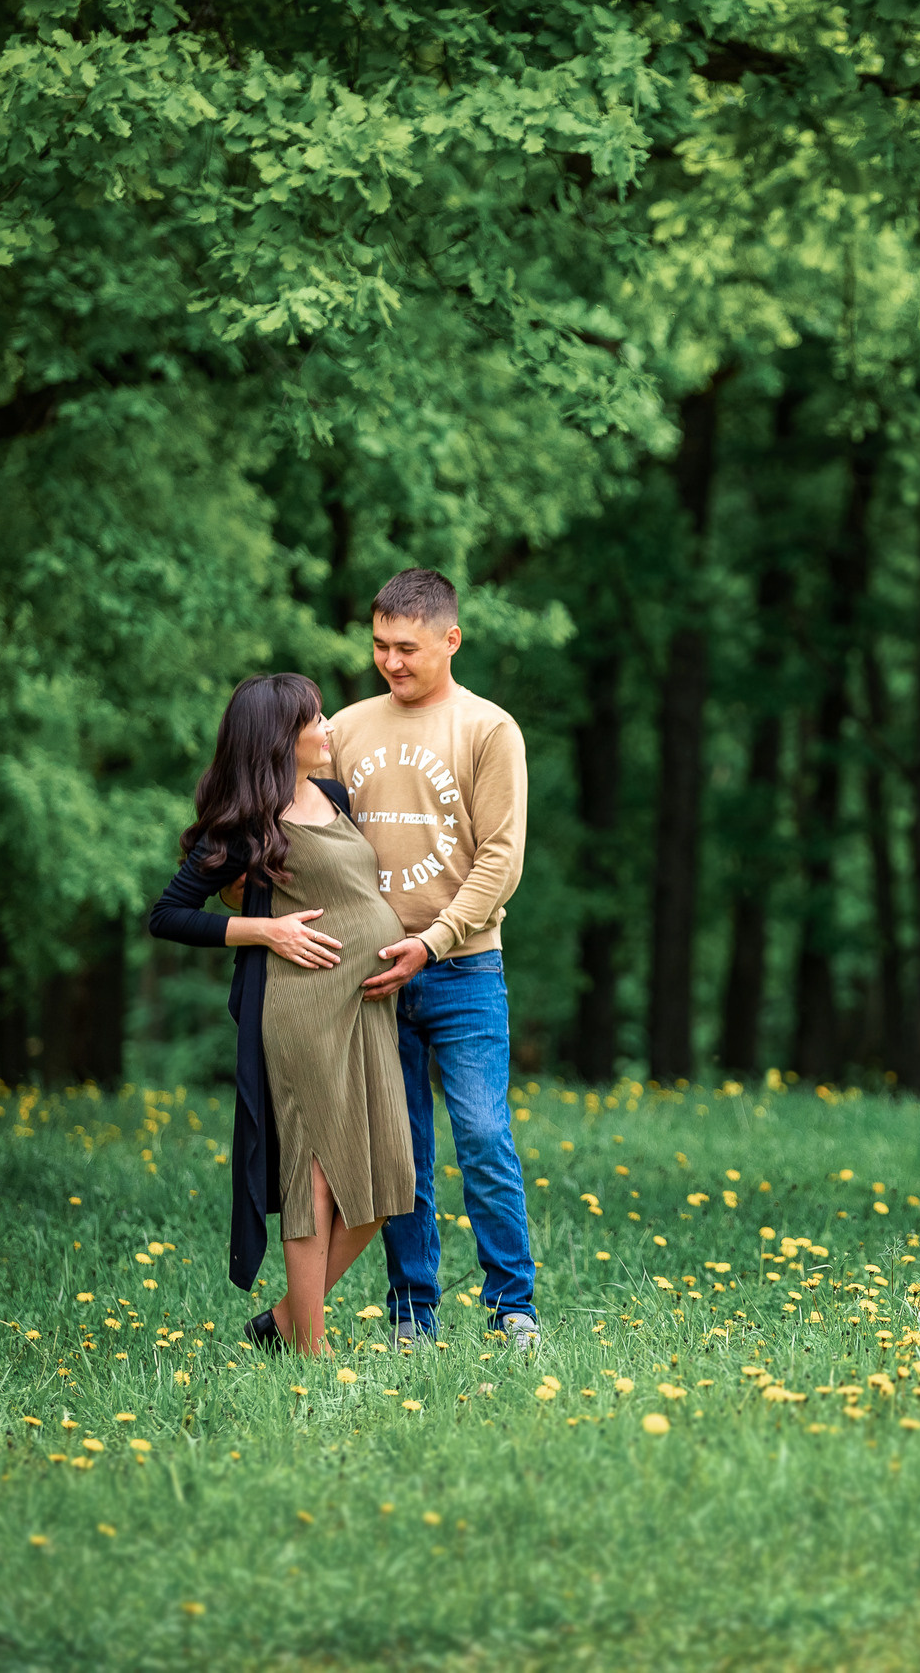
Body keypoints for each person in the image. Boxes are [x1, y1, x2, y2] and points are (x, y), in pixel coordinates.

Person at [146, 674, 415, 1354]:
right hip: (302, 1010)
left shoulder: (333, 796)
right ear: (278, 738)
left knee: (389, 1179)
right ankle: (310, 1351)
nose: (328, 728)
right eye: (314, 719)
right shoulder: (247, 828)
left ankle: (287, 1322)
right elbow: (168, 914)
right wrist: (265, 931)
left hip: (366, 1009)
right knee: (315, 1176)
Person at [328, 569, 539, 1352]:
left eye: (407, 647)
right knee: (402, 1150)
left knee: (482, 1132)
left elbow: (501, 859)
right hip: (372, 973)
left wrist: (435, 940)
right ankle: (411, 1314)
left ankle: (512, 1307)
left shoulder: (488, 729)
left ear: (451, 639)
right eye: (380, 644)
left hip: (464, 968)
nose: (391, 661)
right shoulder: (345, 729)